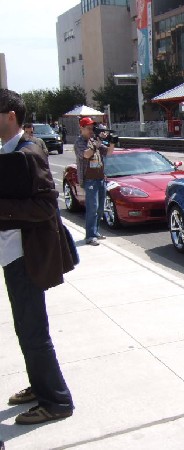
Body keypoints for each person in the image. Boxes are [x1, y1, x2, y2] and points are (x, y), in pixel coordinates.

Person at [0, 88, 75, 424]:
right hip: (13, 253)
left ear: (10, 115)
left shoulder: (28, 152)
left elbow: (46, 206)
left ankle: (56, 401)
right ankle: (38, 382)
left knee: (33, 330)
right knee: (24, 328)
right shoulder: (11, 150)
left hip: (25, 257)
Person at [74, 117, 115, 245]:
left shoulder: (94, 140)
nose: (91, 131)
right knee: (92, 207)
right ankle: (90, 236)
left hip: (100, 178)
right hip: (89, 180)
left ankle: (95, 231)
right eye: (89, 128)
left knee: (100, 208)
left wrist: (112, 141)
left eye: (92, 128)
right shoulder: (80, 142)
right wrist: (96, 144)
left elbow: (108, 153)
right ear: (82, 128)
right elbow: (86, 155)